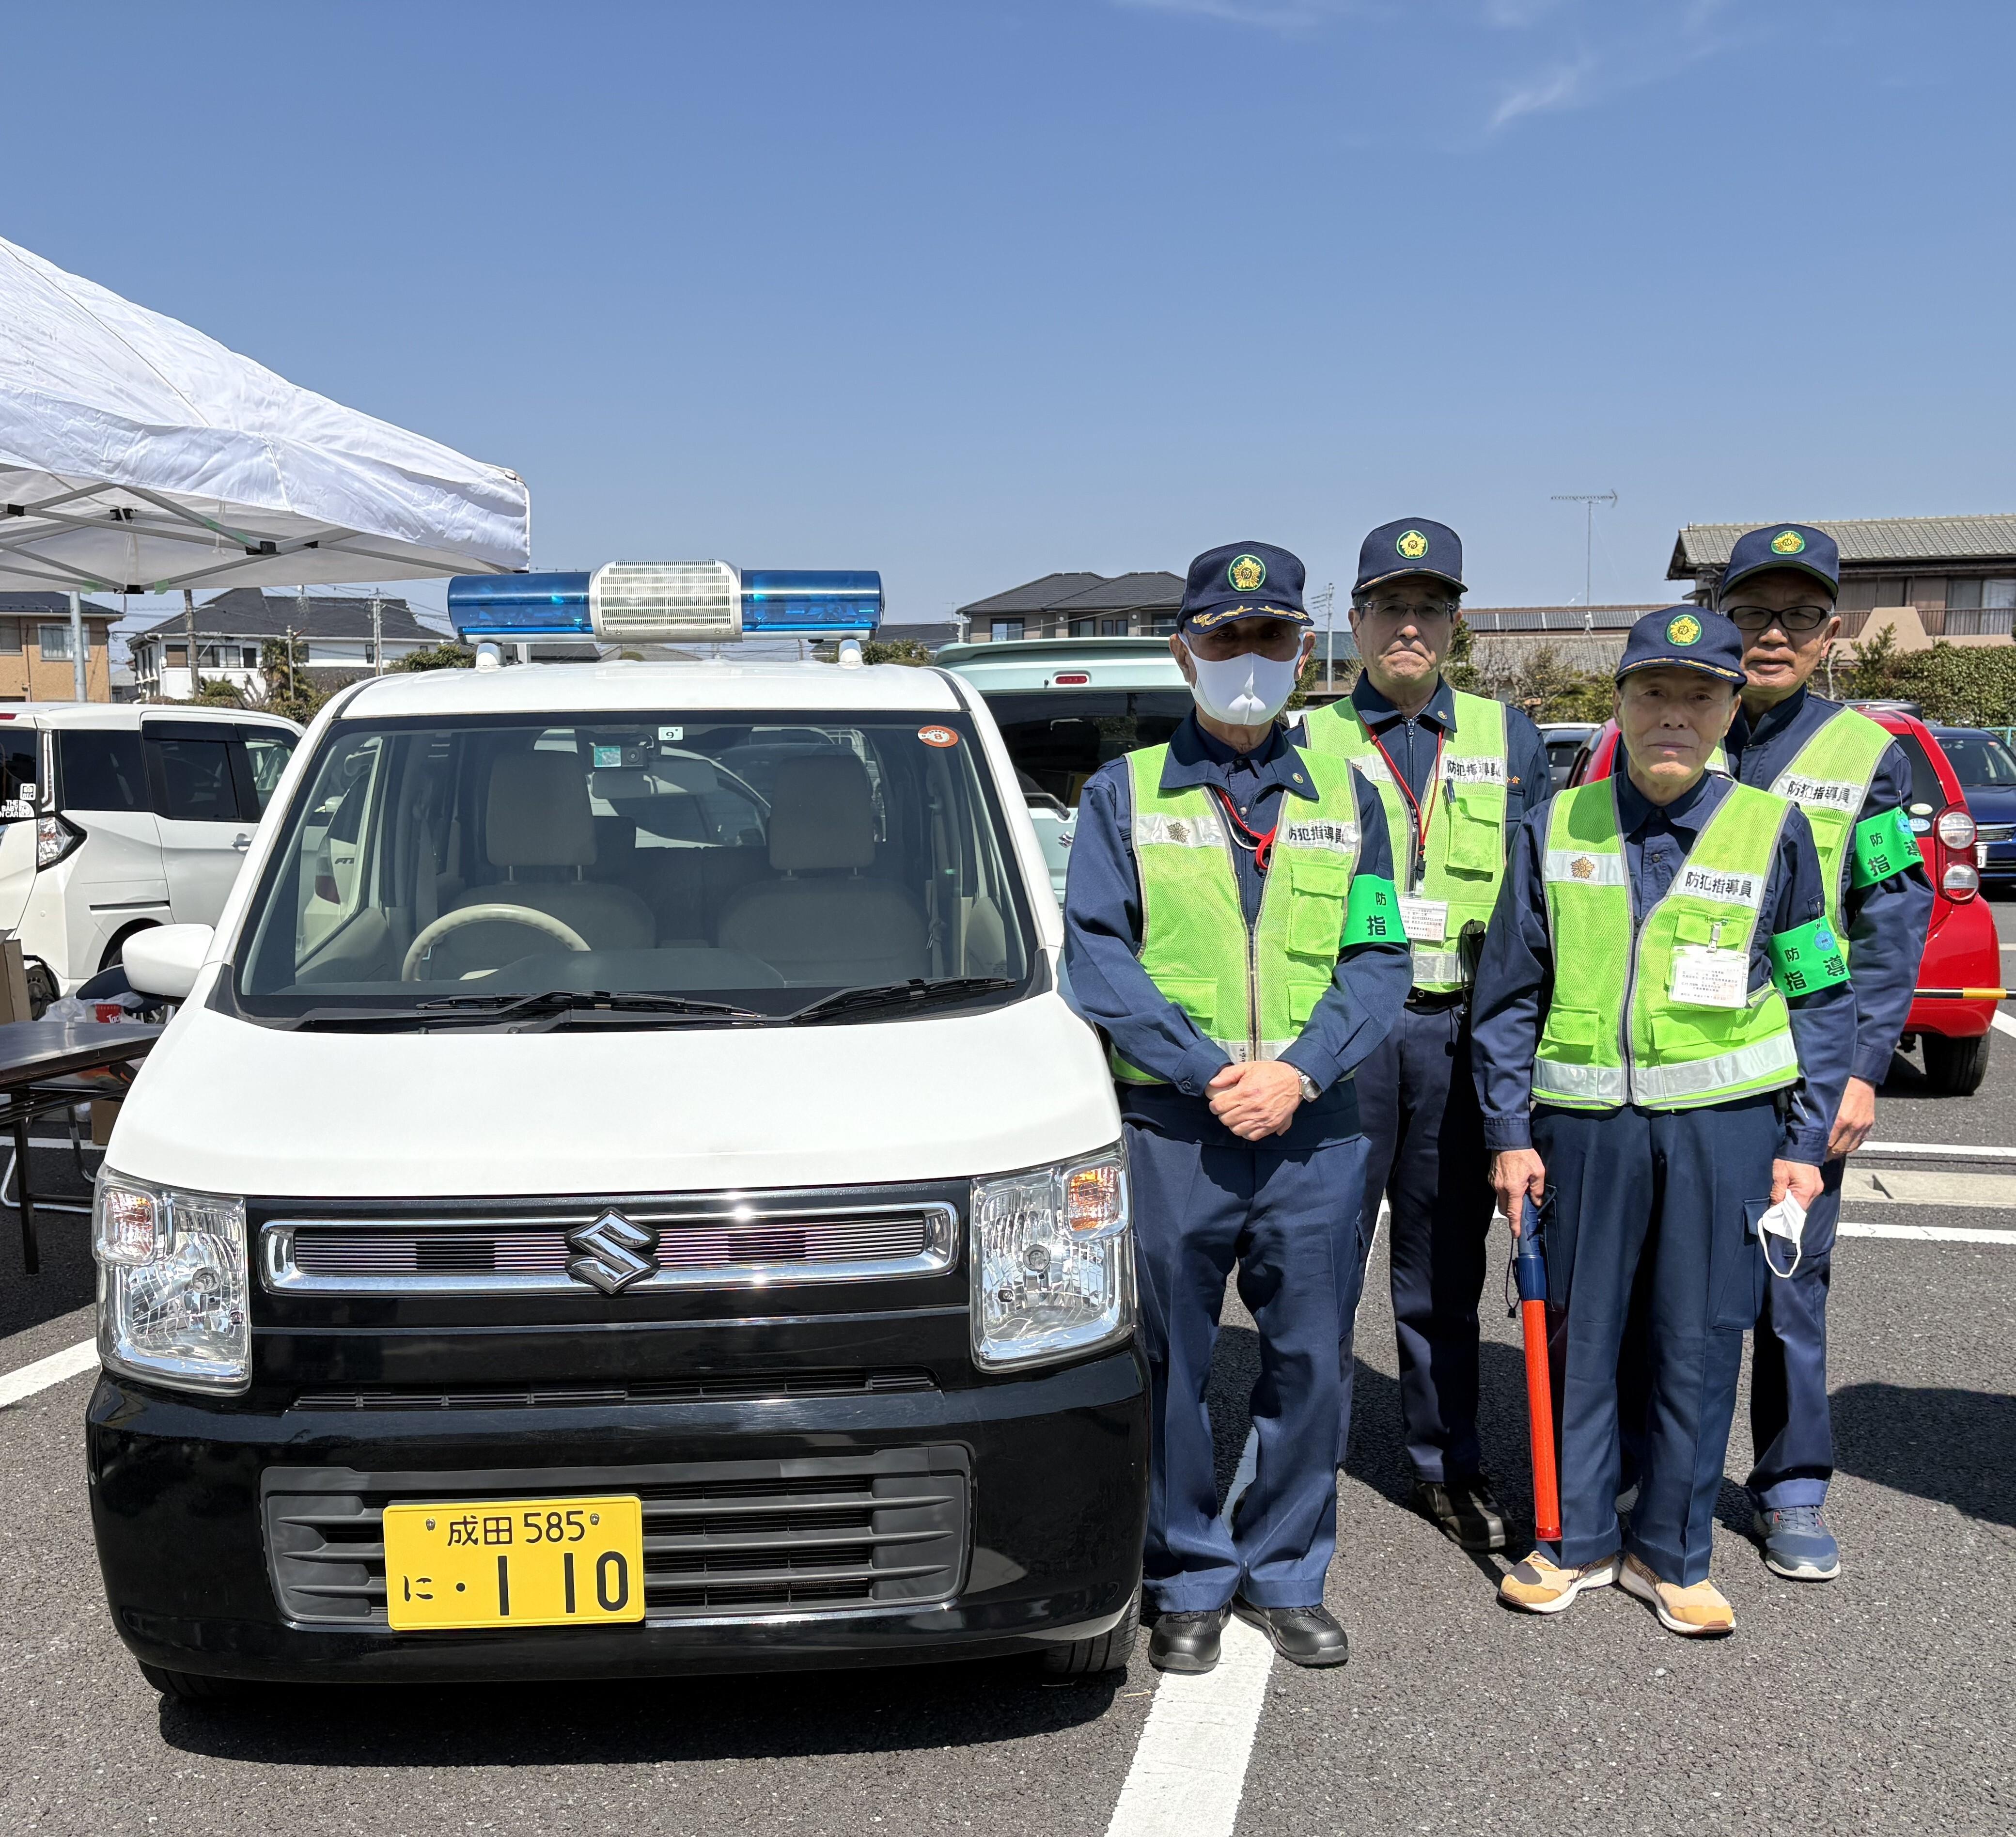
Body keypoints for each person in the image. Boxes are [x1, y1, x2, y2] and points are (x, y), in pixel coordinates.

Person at [1470, 607, 1856, 1637]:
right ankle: (1572, 1540)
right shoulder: (1554, 825)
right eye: (1653, 693)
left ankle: (1672, 1556)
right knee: (1579, 1336)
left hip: (1723, 1131)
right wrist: (1507, 1132)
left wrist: (1802, 1145)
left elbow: (1819, 993)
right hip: (1581, 1129)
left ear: (1729, 709)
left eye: (1698, 695)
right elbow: (1506, 998)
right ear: (1620, 704)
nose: (1673, 715)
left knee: (1698, 1341)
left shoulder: (1773, 830)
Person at [1064, 541, 1412, 1674]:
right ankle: (1185, 1574)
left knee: (1309, 1361)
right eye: (1225, 638)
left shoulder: (1349, 796)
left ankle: (1286, 1571)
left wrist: (1298, 1072)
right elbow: (1096, 957)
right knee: (1170, 1362)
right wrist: (1205, 1071)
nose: (1248, 658)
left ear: (1302, 652)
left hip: (1313, 1128)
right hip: (1176, 1130)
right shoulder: (1122, 793)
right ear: (1185, 653)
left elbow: (1377, 959)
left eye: (1270, 637)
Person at [1297, 518, 1553, 1550]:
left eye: (1430, 609)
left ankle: (1447, 1465)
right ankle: (1299, 1473)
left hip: (1457, 1034)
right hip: (1342, 1040)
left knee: (1444, 1272)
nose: (1409, 625)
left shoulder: (1509, 736)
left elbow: (1537, 904)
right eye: (1390, 607)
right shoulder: (1305, 739)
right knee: (1316, 1263)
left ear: (1455, 625)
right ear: (1356, 621)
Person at [1717, 524, 1933, 1581]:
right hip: (1668, 1065)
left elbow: (1892, 919)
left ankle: (1790, 1486)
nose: (1772, 634)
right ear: (1718, 618)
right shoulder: (1661, 719)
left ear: (1830, 633)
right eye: (1752, 612)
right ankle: (1641, 1474)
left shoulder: (1866, 755)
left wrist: (1860, 1067)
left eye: (1797, 616)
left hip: (1803, 1070)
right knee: (1656, 1280)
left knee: (1786, 1280)